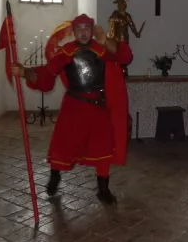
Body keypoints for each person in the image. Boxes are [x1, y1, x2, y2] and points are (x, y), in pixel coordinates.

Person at [11, 14, 133, 205]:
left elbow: (125, 55)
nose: (83, 32)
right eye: (79, 28)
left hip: (99, 106)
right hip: (74, 106)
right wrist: (26, 72)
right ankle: (55, 177)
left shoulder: (103, 48)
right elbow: (47, 73)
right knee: (63, 145)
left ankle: (103, 189)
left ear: (92, 30)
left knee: (103, 146)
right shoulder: (66, 51)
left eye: (87, 28)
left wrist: (106, 40)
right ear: (74, 32)